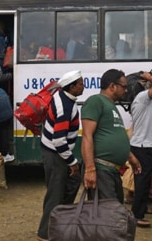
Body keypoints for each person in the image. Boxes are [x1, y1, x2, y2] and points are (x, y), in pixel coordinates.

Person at [81, 69, 141, 205]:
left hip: (112, 171)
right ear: (112, 86)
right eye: (124, 87)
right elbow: (87, 136)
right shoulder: (95, 101)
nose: (126, 91)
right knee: (107, 214)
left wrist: (130, 157)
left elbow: (114, 135)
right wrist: (90, 169)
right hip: (102, 170)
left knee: (114, 211)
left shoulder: (111, 106)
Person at [37, 70, 85, 241]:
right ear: (71, 87)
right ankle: (45, 234)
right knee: (55, 194)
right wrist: (72, 162)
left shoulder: (62, 96)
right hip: (55, 153)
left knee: (69, 185)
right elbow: (59, 140)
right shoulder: (65, 106)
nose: (83, 86)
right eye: (80, 83)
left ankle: (60, 223)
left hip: (53, 151)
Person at [129, 71, 152, 227]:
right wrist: (149, 76)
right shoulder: (143, 98)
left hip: (145, 147)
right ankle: (137, 215)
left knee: (144, 182)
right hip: (142, 148)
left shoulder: (146, 100)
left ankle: (141, 209)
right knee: (142, 183)